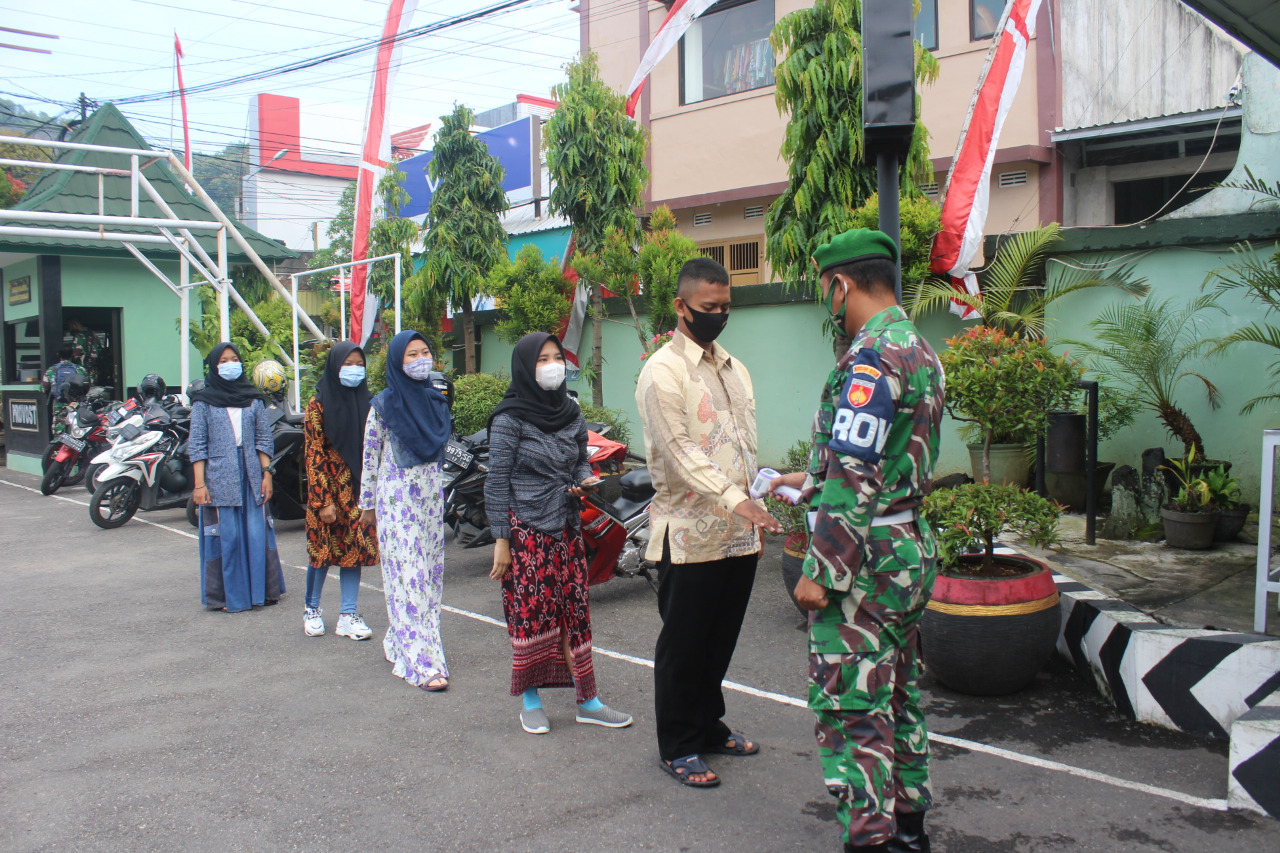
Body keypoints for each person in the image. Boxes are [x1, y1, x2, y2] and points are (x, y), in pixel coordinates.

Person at [770, 229, 945, 853]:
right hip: (907, 550)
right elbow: (883, 455)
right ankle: (909, 827)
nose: (827, 301)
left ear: (841, 283)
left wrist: (821, 570)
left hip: (864, 563)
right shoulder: (919, 349)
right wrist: (806, 476)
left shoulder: (870, 361)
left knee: (852, 708)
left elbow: (856, 473)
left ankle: (869, 839)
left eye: (826, 288)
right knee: (898, 692)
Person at [635, 257, 782, 788]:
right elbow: (677, 451)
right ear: (681, 306)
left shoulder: (734, 369)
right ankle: (677, 743)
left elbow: (742, 447)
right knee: (684, 644)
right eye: (708, 308)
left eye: (725, 307)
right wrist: (732, 498)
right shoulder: (661, 372)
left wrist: (758, 494)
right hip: (689, 535)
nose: (719, 315)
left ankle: (708, 725)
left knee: (719, 642)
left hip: (739, 534)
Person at [486, 332, 633, 735]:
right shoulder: (508, 418)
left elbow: (580, 460)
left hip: (567, 525)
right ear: (525, 367)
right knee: (532, 613)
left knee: (576, 612)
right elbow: (497, 482)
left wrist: (585, 481)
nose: (553, 366)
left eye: (557, 357)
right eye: (542, 359)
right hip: (525, 529)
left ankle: (589, 699)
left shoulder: (569, 410)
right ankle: (530, 700)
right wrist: (502, 541)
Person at [359, 331, 451, 692]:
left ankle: (401, 639)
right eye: (410, 354)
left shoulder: (435, 401)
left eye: (424, 352)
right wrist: (367, 504)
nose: (419, 359)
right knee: (408, 574)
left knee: (427, 577)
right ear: (398, 362)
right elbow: (369, 455)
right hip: (397, 503)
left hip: (430, 501)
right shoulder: (383, 405)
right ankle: (423, 663)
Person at [189, 343, 287, 613]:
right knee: (226, 538)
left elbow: (263, 439)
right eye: (223, 360)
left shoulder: (253, 399)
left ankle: (262, 592)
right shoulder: (204, 402)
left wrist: (267, 474)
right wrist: (199, 485)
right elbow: (197, 445)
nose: (230, 364)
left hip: (252, 475)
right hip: (220, 478)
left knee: (257, 535)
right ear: (214, 366)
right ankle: (226, 597)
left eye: (234, 359)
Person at [302, 342, 378, 641]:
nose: (354, 369)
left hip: (359, 488)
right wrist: (322, 500)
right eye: (347, 363)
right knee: (321, 552)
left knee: (354, 552)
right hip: (329, 487)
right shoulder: (317, 405)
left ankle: (348, 614)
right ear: (335, 367)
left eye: (359, 363)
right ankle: (312, 609)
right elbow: (313, 452)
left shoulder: (370, 403)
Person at [42, 347, 87, 436]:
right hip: (76, 403)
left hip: (59, 403)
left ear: (58, 355)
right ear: (72, 355)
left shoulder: (52, 369)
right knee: (77, 425)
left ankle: (58, 447)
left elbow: (44, 387)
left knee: (59, 428)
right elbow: (87, 384)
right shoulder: (80, 369)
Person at [65, 317, 104, 384]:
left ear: (74, 324)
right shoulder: (94, 334)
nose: (70, 329)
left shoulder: (79, 337)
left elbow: (76, 354)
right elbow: (100, 350)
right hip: (94, 369)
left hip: (82, 370)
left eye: (70, 326)